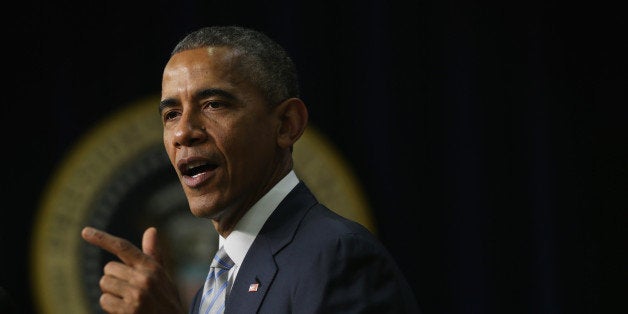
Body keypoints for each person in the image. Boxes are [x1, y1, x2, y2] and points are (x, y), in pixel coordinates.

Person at [81, 25, 421, 314]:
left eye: (214, 105)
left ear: (287, 125)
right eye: (171, 114)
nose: (183, 132)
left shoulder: (338, 258)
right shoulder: (216, 285)